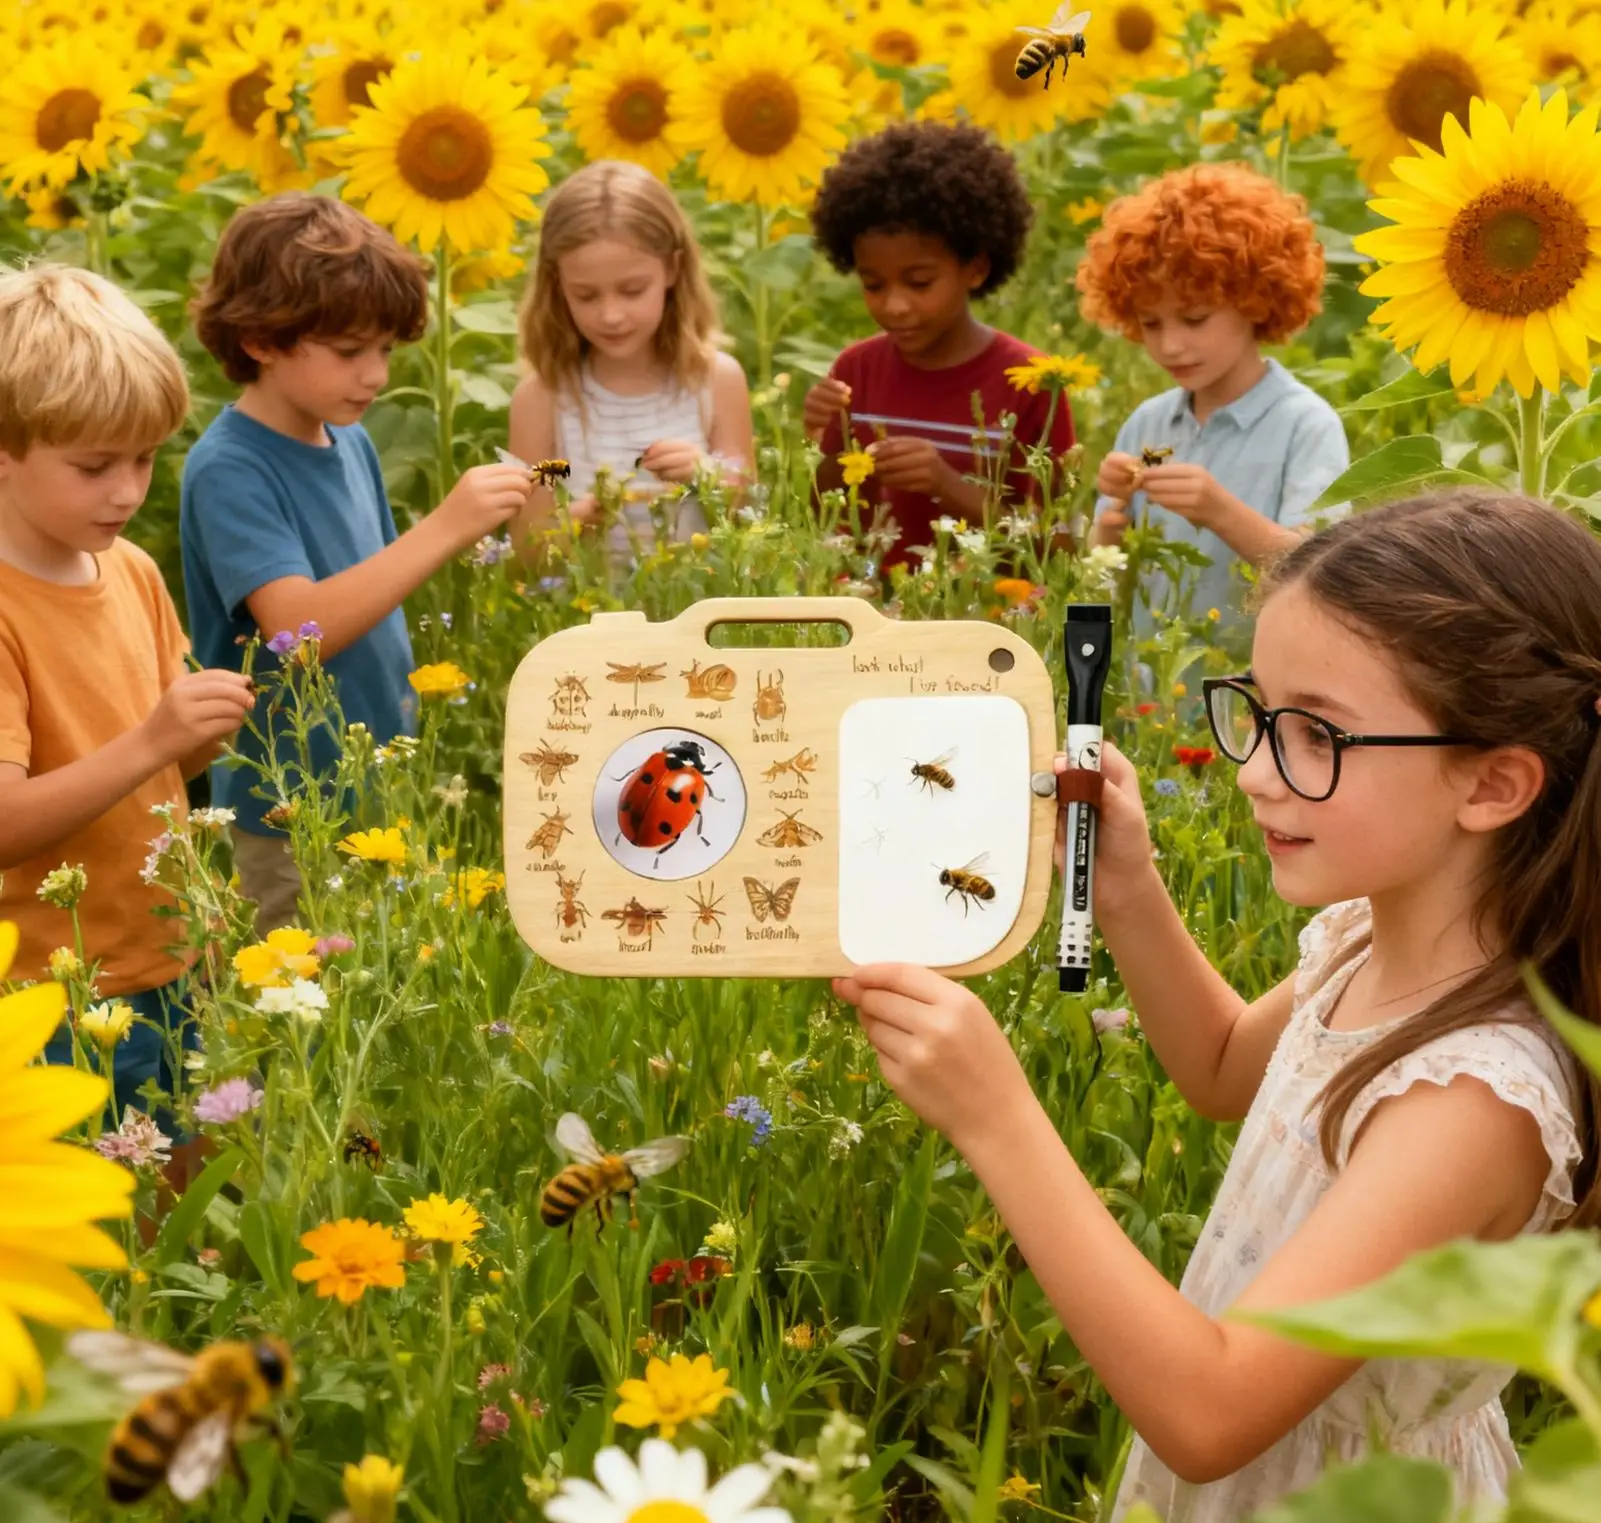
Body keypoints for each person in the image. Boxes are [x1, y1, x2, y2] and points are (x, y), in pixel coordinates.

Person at [834, 490, 1598, 1523]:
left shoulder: (1469, 1096)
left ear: (1491, 780)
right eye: (1257, 710)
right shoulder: (1369, 943)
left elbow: (1206, 1409)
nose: (1251, 771)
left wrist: (995, 1116)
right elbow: (1222, 1064)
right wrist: (1132, 888)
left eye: (1315, 734)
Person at [182, 193, 533, 932]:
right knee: (296, 1008)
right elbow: (297, 632)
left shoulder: (350, 441)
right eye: (349, 352)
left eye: (385, 350)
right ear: (260, 339)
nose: (374, 374)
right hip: (288, 803)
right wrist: (444, 526)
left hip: (370, 779)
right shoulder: (230, 468)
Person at [0, 263, 255, 1144]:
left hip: (172, 955)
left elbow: (167, 776)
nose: (128, 491)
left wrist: (200, 731)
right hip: (53, 992)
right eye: (94, 465)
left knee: (196, 1211)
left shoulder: (132, 571)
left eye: (146, 458)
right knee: (109, 1237)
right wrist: (157, 737)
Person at [1077, 162, 1348, 627]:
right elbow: (1102, 577)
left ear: (1257, 300)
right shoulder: (1148, 424)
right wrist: (1113, 516)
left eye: (1195, 318)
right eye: (1151, 323)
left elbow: (1321, 573)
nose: (1170, 345)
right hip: (1153, 686)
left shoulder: (1306, 425)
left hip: (1254, 689)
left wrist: (1219, 511)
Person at [805, 120, 1076, 570]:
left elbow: (1060, 550)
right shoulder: (856, 370)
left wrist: (948, 486)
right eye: (873, 284)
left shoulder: (1031, 382)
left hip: (987, 620)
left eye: (919, 282)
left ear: (976, 267)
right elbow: (826, 515)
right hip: (878, 613)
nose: (894, 306)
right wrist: (821, 443)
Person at [509, 160, 752, 565]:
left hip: (696, 615)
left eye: (632, 290)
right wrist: (577, 522)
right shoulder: (545, 400)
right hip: (592, 618)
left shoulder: (715, 382)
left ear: (672, 269)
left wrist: (706, 477)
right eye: (586, 296)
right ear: (558, 285)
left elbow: (747, 518)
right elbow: (528, 552)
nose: (611, 315)